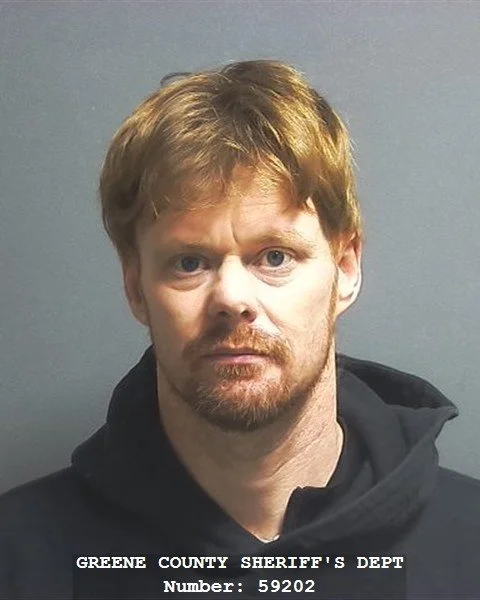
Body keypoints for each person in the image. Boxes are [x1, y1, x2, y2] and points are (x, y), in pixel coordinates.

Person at [0, 59, 479, 600]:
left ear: (345, 269)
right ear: (135, 288)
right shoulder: (17, 559)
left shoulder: (470, 548)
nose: (232, 298)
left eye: (275, 256)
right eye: (189, 263)